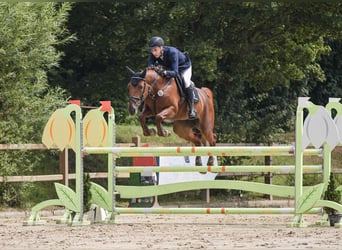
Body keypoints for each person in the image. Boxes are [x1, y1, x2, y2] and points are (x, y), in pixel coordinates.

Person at [148, 36, 197, 120]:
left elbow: (175, 72)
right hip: (170, 67)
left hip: (183, 67)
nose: (153, 52)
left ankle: (191, 109)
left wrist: (164, 72)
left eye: (155, 50)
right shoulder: (154, 53)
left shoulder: (172, 52)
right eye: (152, 50)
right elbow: (150, 65)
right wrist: (153, 67)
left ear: (161, 48)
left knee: (186, 82)